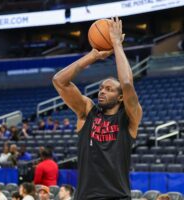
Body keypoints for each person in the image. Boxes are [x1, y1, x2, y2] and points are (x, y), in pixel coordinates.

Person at [52, 17, 142, 199]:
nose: (102, 91)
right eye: (101, 88)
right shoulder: (87, 112)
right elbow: (59, 81)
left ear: (121, 97)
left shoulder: (129, 118)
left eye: (109, 89)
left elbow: (126, 82)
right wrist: (92, 56)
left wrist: (117, 44)